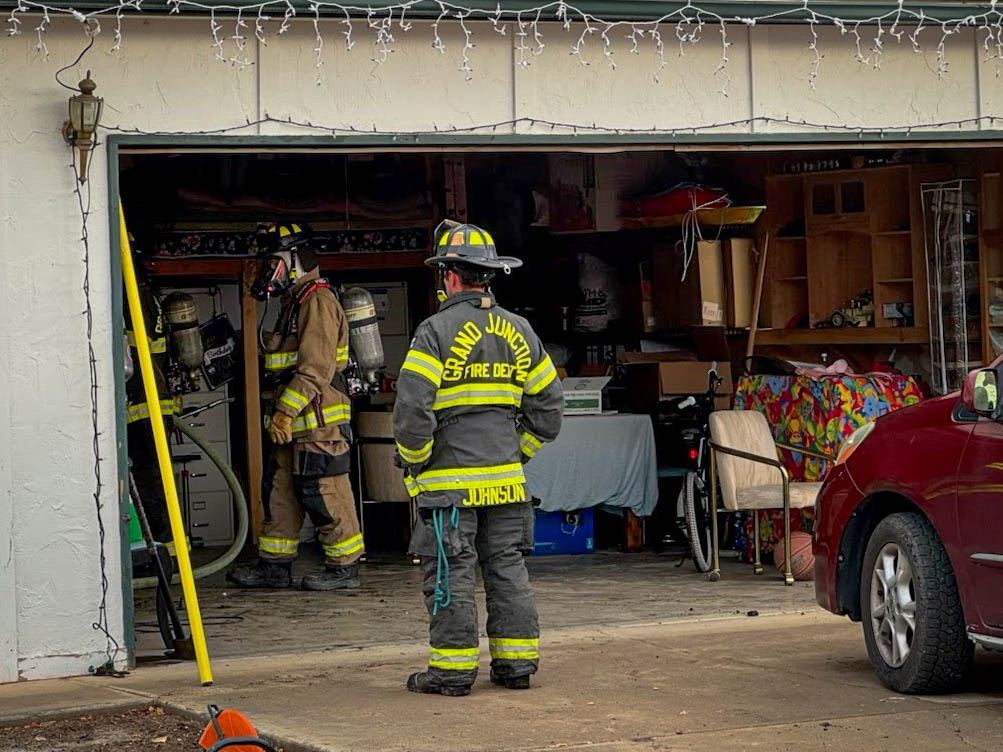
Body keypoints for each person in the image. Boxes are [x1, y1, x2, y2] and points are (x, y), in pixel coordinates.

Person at [393, 221, 563, 697]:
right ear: (487, 275)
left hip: (449, 488)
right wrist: (515, 455)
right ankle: (516, 668)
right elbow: (548, 414)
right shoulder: (520, 330)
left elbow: (411, 414)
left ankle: (451, 671)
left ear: (448, 275)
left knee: (451, 573)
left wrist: (418, 463)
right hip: (509, 487)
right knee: (507, 570)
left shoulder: (434, 332)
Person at [227, 222, 364, 591]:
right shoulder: (295, 301)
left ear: (295, 261)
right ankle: (275, 565)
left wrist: (286, 412)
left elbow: (315, 368)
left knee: (325, 492)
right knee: (280, 491)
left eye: (273, 261)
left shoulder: (317, 301)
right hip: (294, 423)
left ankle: (344, 567)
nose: (267, 270)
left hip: (318, 423)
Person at [124, 259, 179, 543]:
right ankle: (164, 551)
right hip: (152, 403)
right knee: (156, 482)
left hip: (140, 405)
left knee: (149, 485)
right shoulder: (147, 292)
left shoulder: (129, 292)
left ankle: (163, 555)